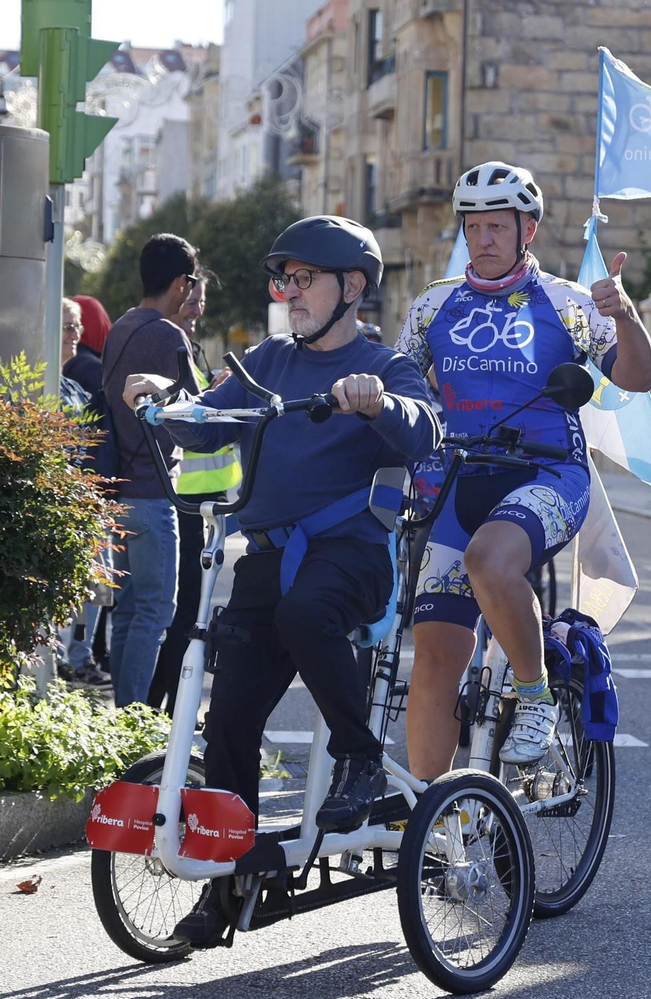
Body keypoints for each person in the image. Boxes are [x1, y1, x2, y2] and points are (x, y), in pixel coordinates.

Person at [123, 215, 439, 947]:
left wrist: (378, 404)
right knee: (228, 716)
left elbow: (424, 428)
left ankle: (362, 760)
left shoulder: (384, 364)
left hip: (351, 553)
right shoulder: (268, 359)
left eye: (304, 279)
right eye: (284, 280)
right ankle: (231, 888)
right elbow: (209, 420)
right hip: (267, 557)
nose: (289, 292)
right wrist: (165, 399)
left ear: (351, 286)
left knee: (307, 612)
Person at [396, 160, 651, 780]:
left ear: (527, 230)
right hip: (457, 483)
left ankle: (534, 695)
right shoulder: (432, 308)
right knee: (433, 656)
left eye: (496, 227)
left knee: (491, 560)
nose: (482, 239)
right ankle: (434, 823)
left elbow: (637, 377)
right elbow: (399, 386)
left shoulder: (567, 305)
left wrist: (624, 314)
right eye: (473, 227)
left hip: (546, 477)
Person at [102, 234, 198, 707]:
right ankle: (134, 717)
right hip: (156, 492)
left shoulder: (121, 327)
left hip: (121, 491)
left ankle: (120, 717)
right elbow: (201, 412)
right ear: (180, 282)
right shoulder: (167, 333)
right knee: (157, 612)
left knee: (129, 611)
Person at [148, 271, 243, 714]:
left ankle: (163, 711)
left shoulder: (186, 344)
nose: (198, 308)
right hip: (187, 498)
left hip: (207, 500)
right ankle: (158, 712)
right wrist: (217, 393)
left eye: (202, 301)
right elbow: (186, 412)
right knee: (185, 612)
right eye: (193, 300)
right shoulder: (170, 342)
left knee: (188, 610)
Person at [55, 298, 110, 686]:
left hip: (83, 501)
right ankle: (59, 658)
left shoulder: (73, 386)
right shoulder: (37, 384)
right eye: (67, 327)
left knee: (93, 587)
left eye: (77, 326)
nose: (76, 335)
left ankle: (78, 656)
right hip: (56, 502)